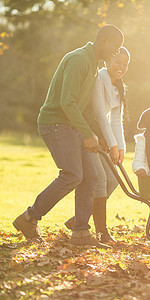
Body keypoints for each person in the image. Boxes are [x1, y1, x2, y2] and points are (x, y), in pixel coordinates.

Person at [12, 25, 124, 248]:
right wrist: (87, 134)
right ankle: (28, 218)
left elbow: (81, 107)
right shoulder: (79, 60)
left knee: (91, 177)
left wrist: (95, 134)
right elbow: (67, 102)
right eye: (115, 47)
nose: (115, 53)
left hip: (70, 124)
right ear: (103, 40)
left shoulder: (93, 64)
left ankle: (81, 233)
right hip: (55, 123)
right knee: (73, 175)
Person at [64, 47, 130, 243]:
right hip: (90, 134)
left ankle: (79, 217)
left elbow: (116, 120)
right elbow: (100, 115)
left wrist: (121, 146)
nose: (121, 67)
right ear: (108, 61)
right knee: (100, 179)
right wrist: (112, 145)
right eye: (118, 62)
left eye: (125, 64)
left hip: (103, 135)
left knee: (114, 178)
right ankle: (102, 232)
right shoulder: (100, 78)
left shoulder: (119, 86)